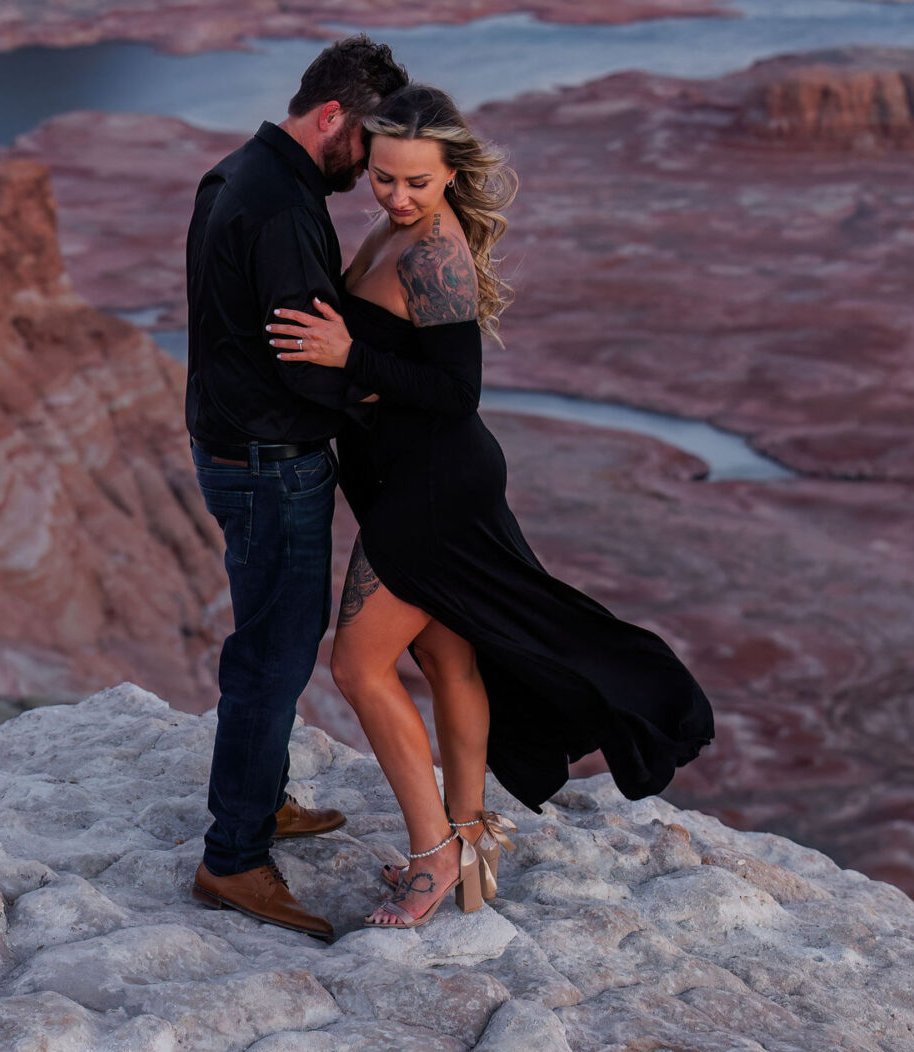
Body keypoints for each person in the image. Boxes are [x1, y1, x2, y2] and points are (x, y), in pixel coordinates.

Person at [268, 81, 714, 928]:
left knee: (359, 668)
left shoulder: (434, 253)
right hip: (406, 477)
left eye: (417, 183)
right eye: (385, 178)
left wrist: (346, 354)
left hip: (432, 489)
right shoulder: (392, 230)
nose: (397, 196)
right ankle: (469, 834)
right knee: (447, 660)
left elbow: (454, 392)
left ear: (450, 175)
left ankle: (432, 855)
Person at [186, 33, 410, 940]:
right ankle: (233, 858)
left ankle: (261, 801)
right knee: (274, 655)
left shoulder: (237, 171)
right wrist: (389, 387)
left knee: (270, 640)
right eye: (367, 148)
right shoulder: (281, 207)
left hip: (236, 448)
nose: (371, 171)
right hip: (270, 462)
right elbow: (303, 363)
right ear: (333, 119)